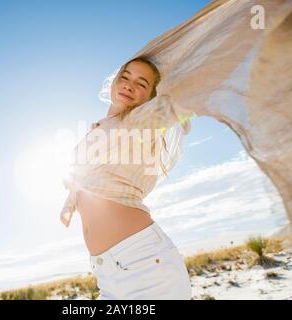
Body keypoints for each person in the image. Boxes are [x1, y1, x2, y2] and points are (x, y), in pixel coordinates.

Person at [60, 56, 193, 300]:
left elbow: (185, 102)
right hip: (107, 274)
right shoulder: (101, 127)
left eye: (142, 84)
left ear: (152, 96)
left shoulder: (145, 123)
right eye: (125, 77)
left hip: (145, 265)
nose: (129, 86)